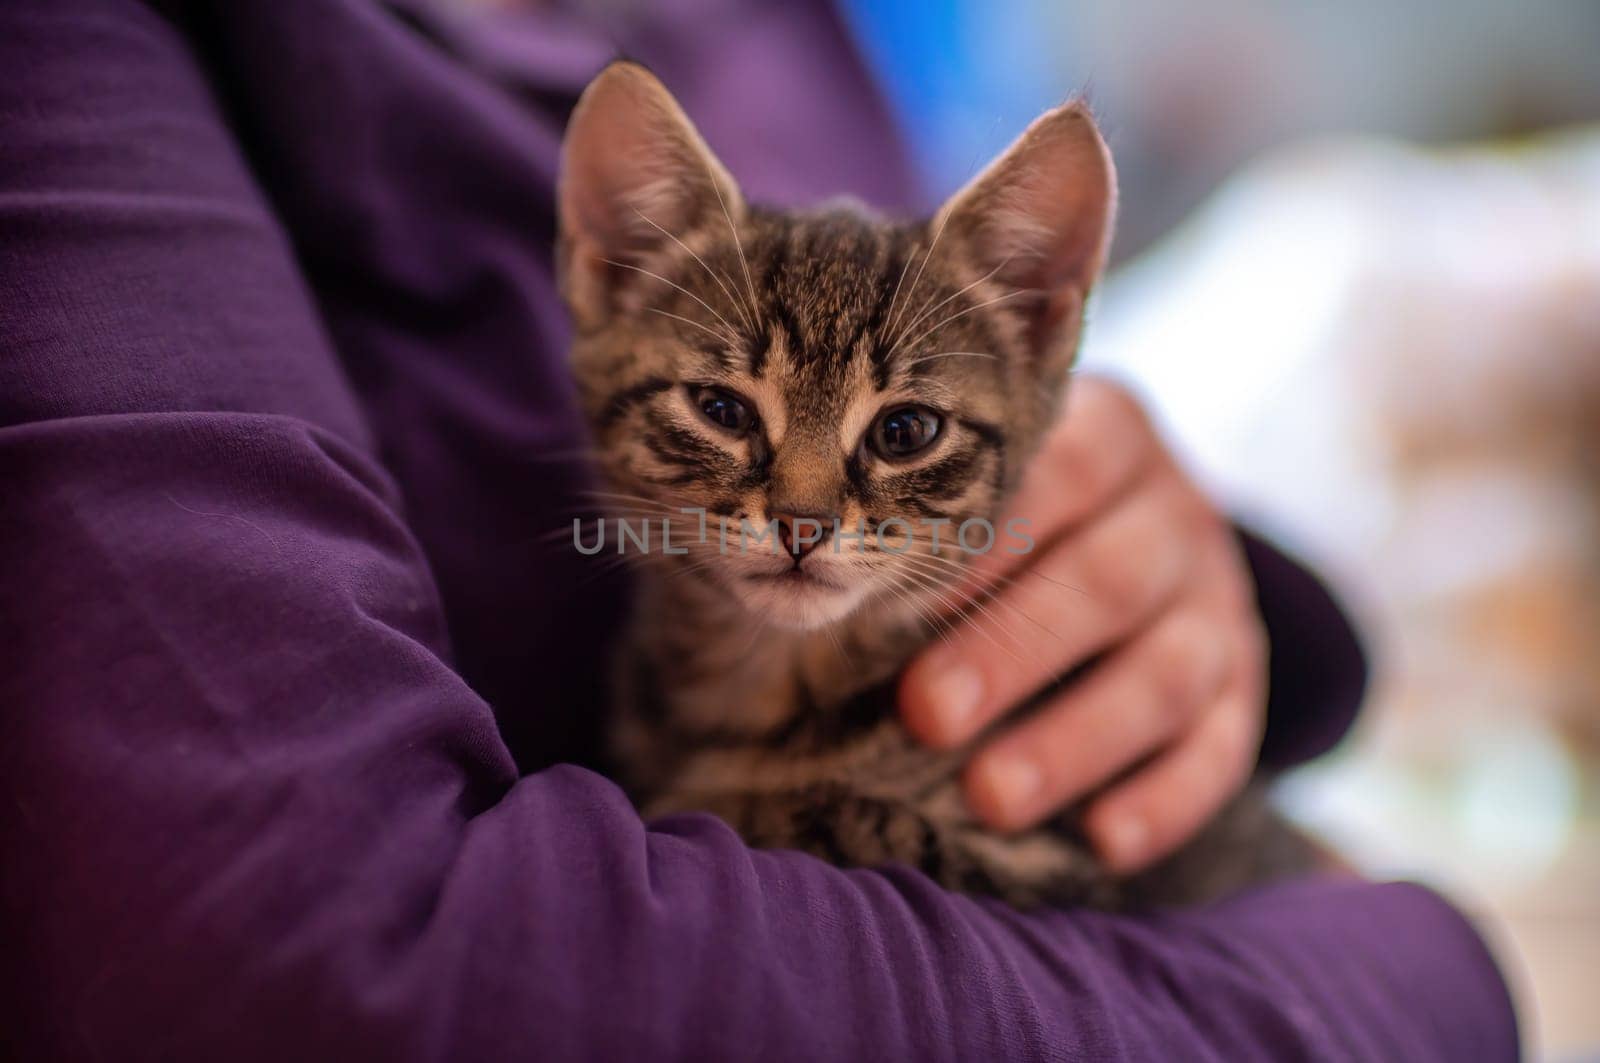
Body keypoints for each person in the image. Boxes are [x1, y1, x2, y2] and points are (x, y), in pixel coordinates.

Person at [0, 1, 1518, 1059]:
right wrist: (1411, 977)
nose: (802, 511)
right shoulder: (85, 61)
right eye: (725, 415)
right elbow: (316, 980)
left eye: (892, 440)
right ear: (603, 275)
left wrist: (1223, 579)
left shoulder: (783, 18)